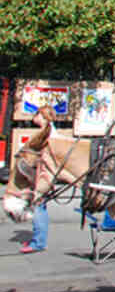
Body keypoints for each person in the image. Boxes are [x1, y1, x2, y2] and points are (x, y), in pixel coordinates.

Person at [20, 105, 55, 254]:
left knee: (38, 206)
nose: (35, 117)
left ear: (43, 116)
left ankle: (38, 242)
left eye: (37, 115)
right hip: (42, 175)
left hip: (43, 176)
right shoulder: (47, 132)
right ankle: (38, 239)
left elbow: (48, 157)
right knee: (40, 206)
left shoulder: (49, 134)